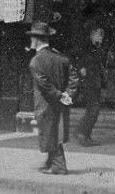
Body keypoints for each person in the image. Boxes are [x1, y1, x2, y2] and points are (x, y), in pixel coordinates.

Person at [28, 21, 77, 176]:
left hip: (46, 104)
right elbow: (74, 77)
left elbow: (44, 84)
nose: (31, 41)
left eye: (32, 38)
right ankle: (50, 163)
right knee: (54, 132)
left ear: (37, 40)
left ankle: (58, 166)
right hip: (60, 104)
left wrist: (59, 95)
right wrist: (68, 94)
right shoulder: (61, 57)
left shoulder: (36, 61)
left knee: (50, 134)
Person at [75, 25, 107, 146]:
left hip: (95, 82)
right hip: (88, 82)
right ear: (92, 35)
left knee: (93, 109)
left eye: (102, 36)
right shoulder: (86, 47)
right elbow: (76, 58)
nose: (101, 38)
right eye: (99, 35)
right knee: (94, 109)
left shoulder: (97, 49)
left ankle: (85, 135)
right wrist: (81, 68)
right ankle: (82, 133)